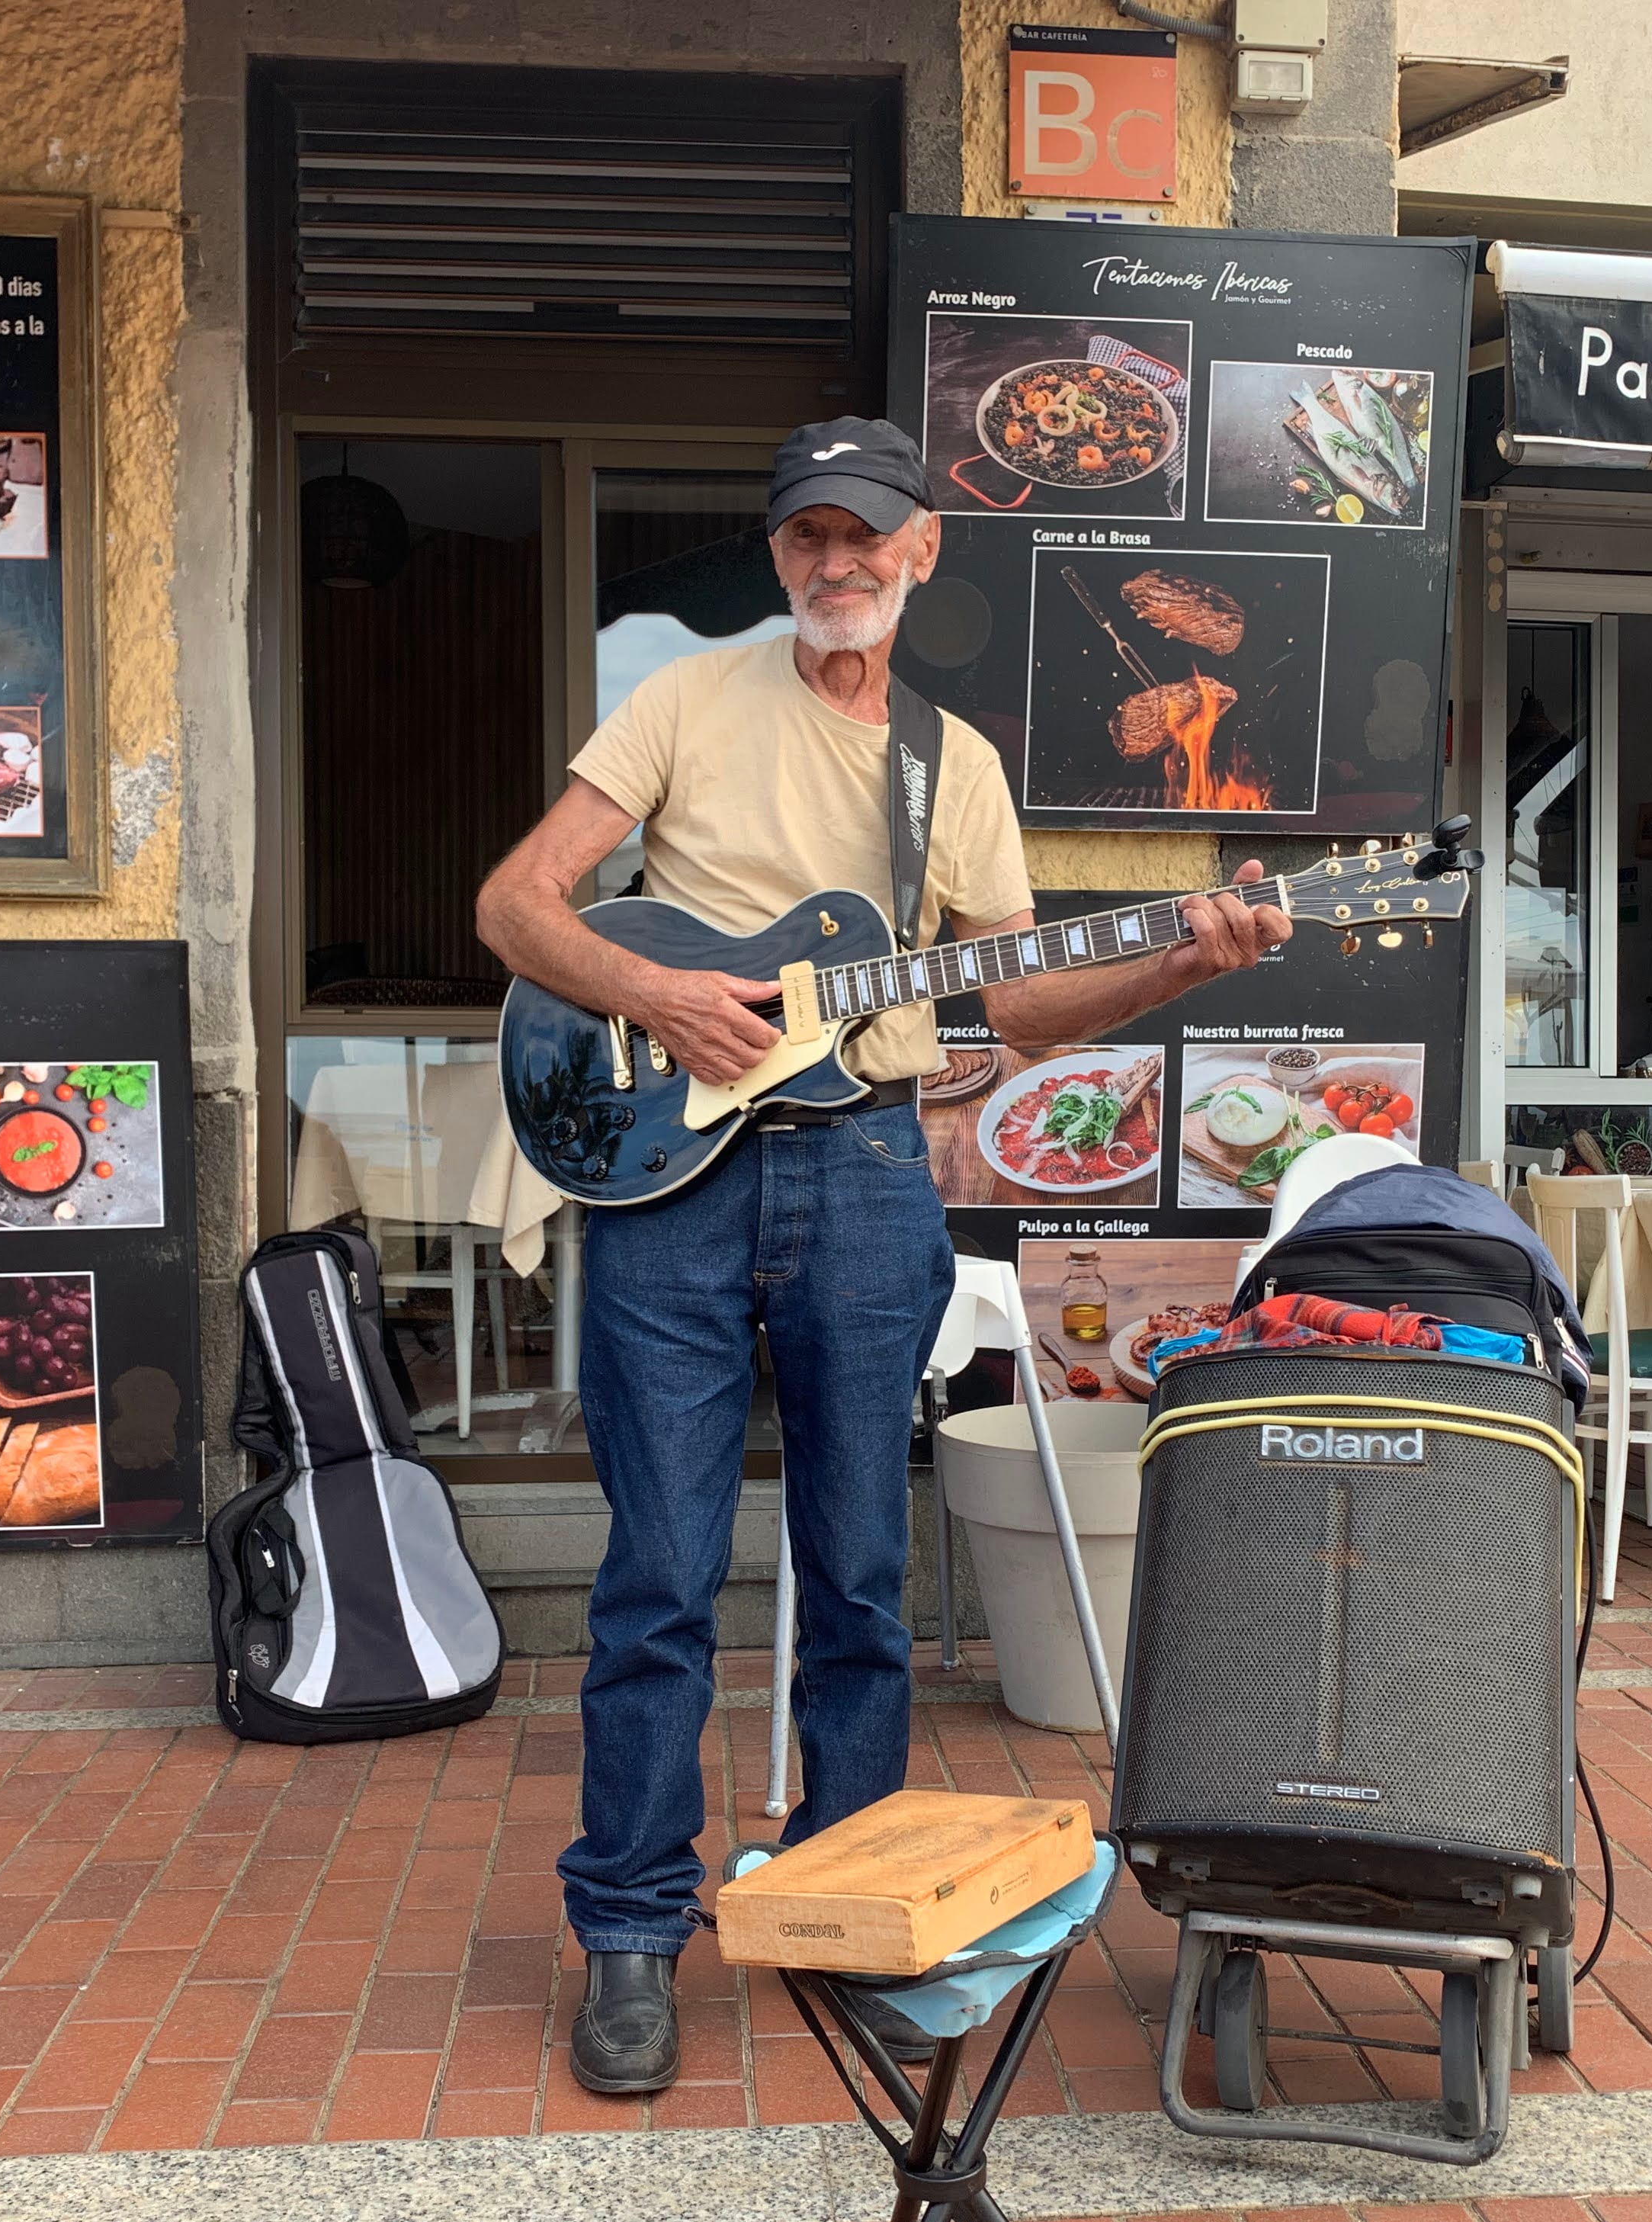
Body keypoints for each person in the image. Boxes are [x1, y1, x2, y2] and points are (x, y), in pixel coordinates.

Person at [476, 417, 1292, 2095]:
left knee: (858, 1578)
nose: (835, 566)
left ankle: (846, 1907)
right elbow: (516, 907)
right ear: (778, 558)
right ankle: (631, 1933)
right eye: (806, 541)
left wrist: (1174, 972)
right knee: (656, 1584)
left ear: (923, 551)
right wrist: (656, 995)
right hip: (669, 1194)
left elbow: (1008, 994)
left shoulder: (954, 763)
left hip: (861, 1173)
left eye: (867, 540)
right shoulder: (688, 699)